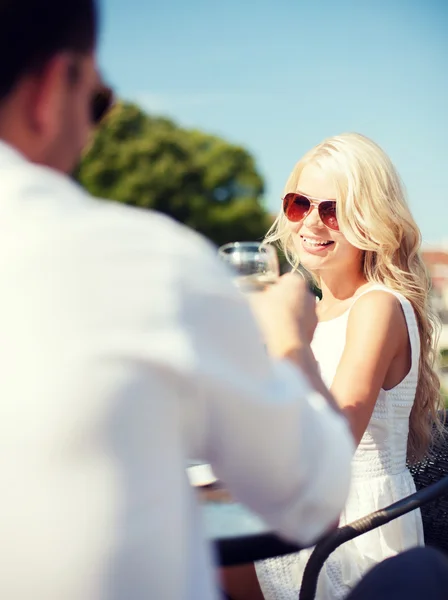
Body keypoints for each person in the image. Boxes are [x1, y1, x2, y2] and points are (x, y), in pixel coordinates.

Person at [0, 3, 355, 600]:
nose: (93, 133)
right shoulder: (150, 263)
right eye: (96, 102)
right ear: (49, 90)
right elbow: (312, 499)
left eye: (333, 207)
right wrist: (291, 342)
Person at [247, 133, 444, 600]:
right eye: (300, 204)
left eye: (332, 210)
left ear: (371, 220)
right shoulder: (316, 311)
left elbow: (334, 443)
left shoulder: (377, 306)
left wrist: (288, 340)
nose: (312, 223)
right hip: (309, 512)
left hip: (357, 536)